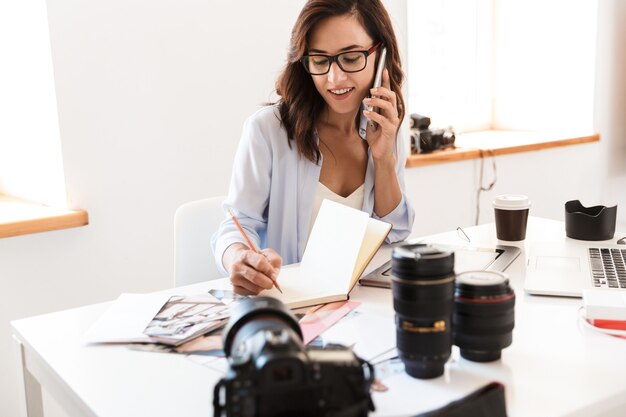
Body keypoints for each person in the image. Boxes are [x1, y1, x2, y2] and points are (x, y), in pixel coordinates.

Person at [211, 0, 415, 295]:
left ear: (380, 53)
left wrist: (383, 158)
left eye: (351, 57)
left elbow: (395, 232)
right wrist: (239, 259)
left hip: (357, 305)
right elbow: (236, 225)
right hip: (288, 306)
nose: (335, 79)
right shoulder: (267, 131)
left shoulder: (385, 125)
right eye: (320, 60)